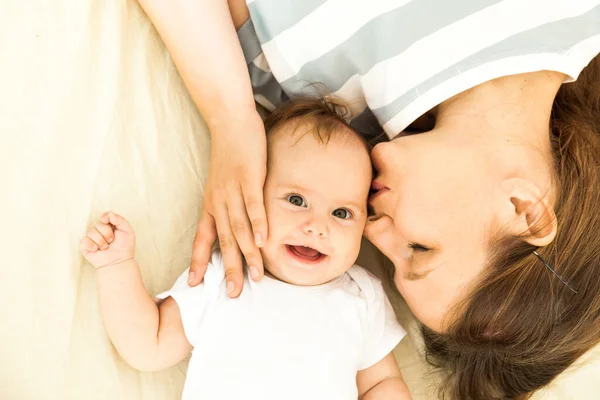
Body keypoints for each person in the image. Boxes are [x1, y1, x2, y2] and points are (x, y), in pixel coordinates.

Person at [136, 0, 600, 398]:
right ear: (523, 209)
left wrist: (231, 118)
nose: (373, 231)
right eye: (418, 249)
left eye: (392, 264)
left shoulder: (324, 138)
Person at [79, 99, 412, 400]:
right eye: (296, 201)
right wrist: (117, 266)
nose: (317, 225)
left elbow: (381, 384)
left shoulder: (362, 296)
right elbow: (148, 346)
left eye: (342, 213)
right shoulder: (223, 278)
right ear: (248, 199)